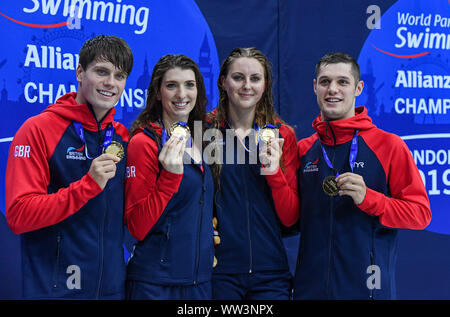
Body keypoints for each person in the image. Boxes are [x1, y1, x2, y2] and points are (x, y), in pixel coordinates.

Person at [294, 52, 432, 299]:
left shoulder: (389, 145)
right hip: (309, 291)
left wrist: (370, 199)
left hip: (367, 291)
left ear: (358, 88)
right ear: (315, 87)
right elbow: (290, 219)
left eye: (343, 82)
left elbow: (420, 215)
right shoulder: (304, 149)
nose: (332, 89)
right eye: (325, 82)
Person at [5, 35, 134, 299]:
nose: (111, 83)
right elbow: (19, 215)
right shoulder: (38, 130)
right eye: (102, 72)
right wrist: (88, 185)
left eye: (120, 76)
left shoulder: (123, 137)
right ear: (79, 72)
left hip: (111, 290)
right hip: (56, 290)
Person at [208, 47, 299, 300]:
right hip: (218, 273)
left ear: (265, 84)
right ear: (223, 82)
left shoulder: (282, 135)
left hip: (270, 274)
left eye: (255, 78)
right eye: (238, 77)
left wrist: (273, 172)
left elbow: (290, 217)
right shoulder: (203, 131)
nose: (246, 86)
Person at [124, 54, 216, 300]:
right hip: (155, 285)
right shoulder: (143, 143)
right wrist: (169, 179)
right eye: (171, 85)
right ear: (157, 92)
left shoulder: (202, 138)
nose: (181, 94)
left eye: (189, 84)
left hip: (199, 283)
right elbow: (137, 226)